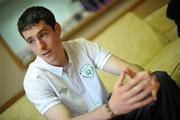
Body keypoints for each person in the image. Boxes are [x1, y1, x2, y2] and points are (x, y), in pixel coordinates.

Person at [17, 6, 180, 120]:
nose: (40, 47)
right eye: (31, 41)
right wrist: (111, 109)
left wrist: (142, 77)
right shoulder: (34, 80)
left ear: (57, 29)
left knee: (160, 79)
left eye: (43, 35)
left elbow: (129, 68)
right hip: (104, 113)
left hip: (114, 110)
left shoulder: (81, 46)